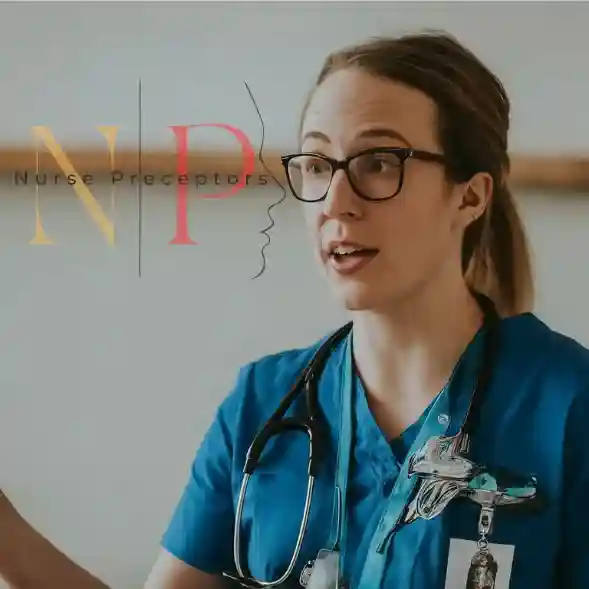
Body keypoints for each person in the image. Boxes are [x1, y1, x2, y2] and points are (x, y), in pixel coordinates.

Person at [1, 31, 588, 589]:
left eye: (378, 162)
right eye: (316, 165)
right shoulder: (262, 402)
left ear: (470, 195)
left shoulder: (568, 406)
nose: (335, 201)